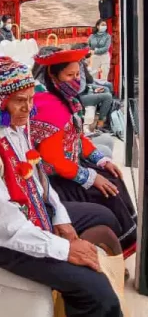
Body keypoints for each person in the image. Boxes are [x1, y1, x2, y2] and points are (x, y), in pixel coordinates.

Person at [0, 52, 124, 317]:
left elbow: (38, 179)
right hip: (7, 244)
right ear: (0, 102)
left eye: (31, 99)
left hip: (37, 215)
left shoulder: (16, 125)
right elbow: (4, 227)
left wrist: (61, 218)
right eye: (20, 101)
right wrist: (66, 249)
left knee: (104, 213)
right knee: (97, 291)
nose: (28, 109)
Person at [30, 47, 137, 257]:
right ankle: (120, 249)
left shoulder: (65, 99)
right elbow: (54, 161)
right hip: (53, 182)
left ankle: (128, 242)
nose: (76, 80)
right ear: (53, 76)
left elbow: (79, 139)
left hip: (70, 169)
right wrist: (90, 177)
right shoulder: (49, 106)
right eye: (70, 75)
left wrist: (101, 161)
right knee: (108, 192)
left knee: (112, 177)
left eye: (78, 74)